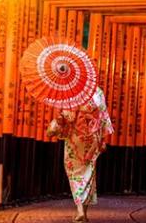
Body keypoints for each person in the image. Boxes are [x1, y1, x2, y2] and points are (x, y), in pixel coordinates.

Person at [45, 86, 114, 222]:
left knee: (74, 173)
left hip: (75, 138)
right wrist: (103, 139)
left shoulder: (74, 91)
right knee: (88, 174)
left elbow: (68, 116)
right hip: (92, 139)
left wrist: (58, 121)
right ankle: (84, 214)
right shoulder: (98, 92)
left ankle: (80, 210)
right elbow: (103, 116)